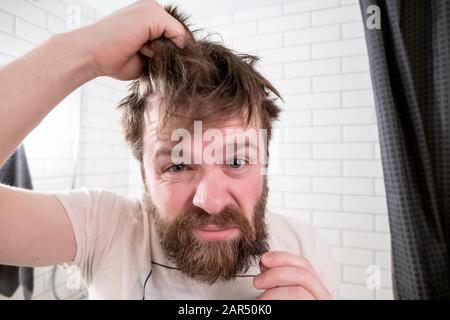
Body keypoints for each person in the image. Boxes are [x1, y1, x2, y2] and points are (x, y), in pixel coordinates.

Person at [0, 0, 339, 300]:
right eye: (177, 166)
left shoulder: (304, 250)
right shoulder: (105, 229)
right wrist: (85, 52)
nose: (211, 201)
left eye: (236, 160)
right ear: (143, 171)